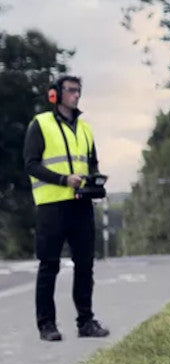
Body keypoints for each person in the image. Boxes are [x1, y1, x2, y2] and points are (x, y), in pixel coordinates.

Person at [23, 75, 110, 341]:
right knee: (49, 265)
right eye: (71, 90)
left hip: (81, 205)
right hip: (52, 206)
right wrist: (63, 180)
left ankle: (86, 322)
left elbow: (91, 163)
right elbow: (31, 164)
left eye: (78, 91)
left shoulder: (85, 129)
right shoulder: (40, 124)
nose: (76, 95)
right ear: (56, 94)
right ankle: (46, 325)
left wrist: (94, 181)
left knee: (85, 264)